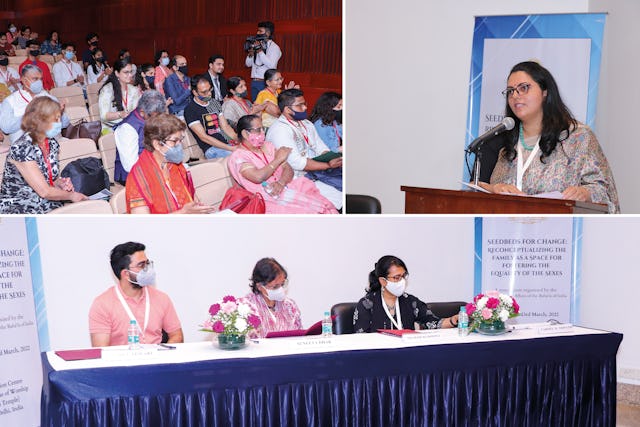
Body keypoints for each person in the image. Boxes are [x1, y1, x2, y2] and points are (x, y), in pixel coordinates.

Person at [479, 61, 620, 213]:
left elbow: (605, 191)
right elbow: (476, 190)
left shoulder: (578, 137)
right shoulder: (500, 140)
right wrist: (493, 189)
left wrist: (586, 193)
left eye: (524, 88)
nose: (515, 95)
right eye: (510, 91)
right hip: (506, 232)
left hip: (560, 232)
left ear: (544, 92)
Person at [229, 115, 337, 214]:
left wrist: (281, 183)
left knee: (326, 207)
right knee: (312, 213)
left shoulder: (268, 146)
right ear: (244, 133)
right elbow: (258, 177)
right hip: (265, 199)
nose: (263, 132)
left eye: (263, 129)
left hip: (285, 187)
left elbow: (288, 168)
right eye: (258, 130)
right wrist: (278, 159)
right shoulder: (239, 156)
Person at [0, 97, 87, 213]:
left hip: (46, 203)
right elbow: (44, 191)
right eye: (55, 119)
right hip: (20, 206)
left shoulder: (51, 143)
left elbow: (49, 179)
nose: (59, 123)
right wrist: (71, 196)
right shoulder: (22, 147)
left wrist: (60, 183)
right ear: (40, 121)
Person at [89, 241, 184, 347]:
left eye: (147, 263)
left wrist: (161, 355)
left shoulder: (162, 298)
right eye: (141, 265)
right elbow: (101, 350)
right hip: (122, 362)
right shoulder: (102, 304)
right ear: (126, 274)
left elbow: (177, 336)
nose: (147, 269)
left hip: (157, 360)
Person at [267, 88, 343, 210]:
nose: (305, 108)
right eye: (300, 105)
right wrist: (328, 165)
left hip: (318, 170)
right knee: (338, 200)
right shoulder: (280, 130)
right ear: (287, 109)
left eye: (305, 104)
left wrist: (332, 159)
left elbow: (320, 147)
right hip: (297, 177)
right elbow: (297, 163)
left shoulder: (306, 123)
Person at [125, 113, 215, 214]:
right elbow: (143, 224)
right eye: (175, 141)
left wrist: (198, 209)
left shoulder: (175, 165)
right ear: (157, 144)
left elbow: (192, 199)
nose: (179, 145)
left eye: (180, 140)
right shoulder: (138, 176)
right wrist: (183, 213)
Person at [353, 255, 459, 333]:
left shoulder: (410, 301)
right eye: (397, 277)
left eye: (404, 276)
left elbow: (431, 322)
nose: (402, 281)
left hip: (407, 354)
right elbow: (361, 337)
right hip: (378, 356)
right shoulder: (367, 304)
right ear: (383, 281)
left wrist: (452, 320)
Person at [0, 64, 70, 143]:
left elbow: (65, 124)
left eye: (40, 79)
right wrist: (30, 114)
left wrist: (60, 113)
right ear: (23, 80)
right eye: (35, 79)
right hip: (25, 146)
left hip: (54, 142)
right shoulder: (10, 100)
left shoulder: (48, 97)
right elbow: (5, 128)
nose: (39, 82)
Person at [113, 89, 167, 185]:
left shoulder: (151, 117)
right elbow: (131, 166)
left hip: (155, 166)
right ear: (142, 111)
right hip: (133, 175)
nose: (158, 120)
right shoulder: (127, 128)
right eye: (154, 117)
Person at [241, 258, 302, 339]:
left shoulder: (289, 306)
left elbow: (300, 335)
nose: (280, 289)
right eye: (275, 286)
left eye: (282, 284)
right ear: (259, 286)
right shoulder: (246, 307)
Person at [184, 74, 237, 159]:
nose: (209, 94)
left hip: (227, 144)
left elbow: (225, 127)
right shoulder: (190, 110)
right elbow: (204, 137)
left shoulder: (214, 103)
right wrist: (230, 148)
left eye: (210, 90)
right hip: (212, 149)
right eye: (204, 92)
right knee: (238, 156)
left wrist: (238, 140)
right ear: (195, 92)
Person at [98, 59, 141, 131]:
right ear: (117, 73)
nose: (130, 75)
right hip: (111, 128)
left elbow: (136, 110)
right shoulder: (107, 90)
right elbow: (104, 116)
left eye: (131, 72)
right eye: (126, 72)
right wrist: (120, 114)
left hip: (130, 126)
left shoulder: (134, 90)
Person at [245, 21, 282, 101]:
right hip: (254, 82)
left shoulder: (274, 47)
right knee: (256, 106)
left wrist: (260, 52)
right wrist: (251, 54)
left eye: (260, 31)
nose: (257, 33)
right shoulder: (257, 44)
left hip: (265, 83)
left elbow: (272, 65)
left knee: (266, 106)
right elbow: (248, 64)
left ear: (268, 33)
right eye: (257, 31)